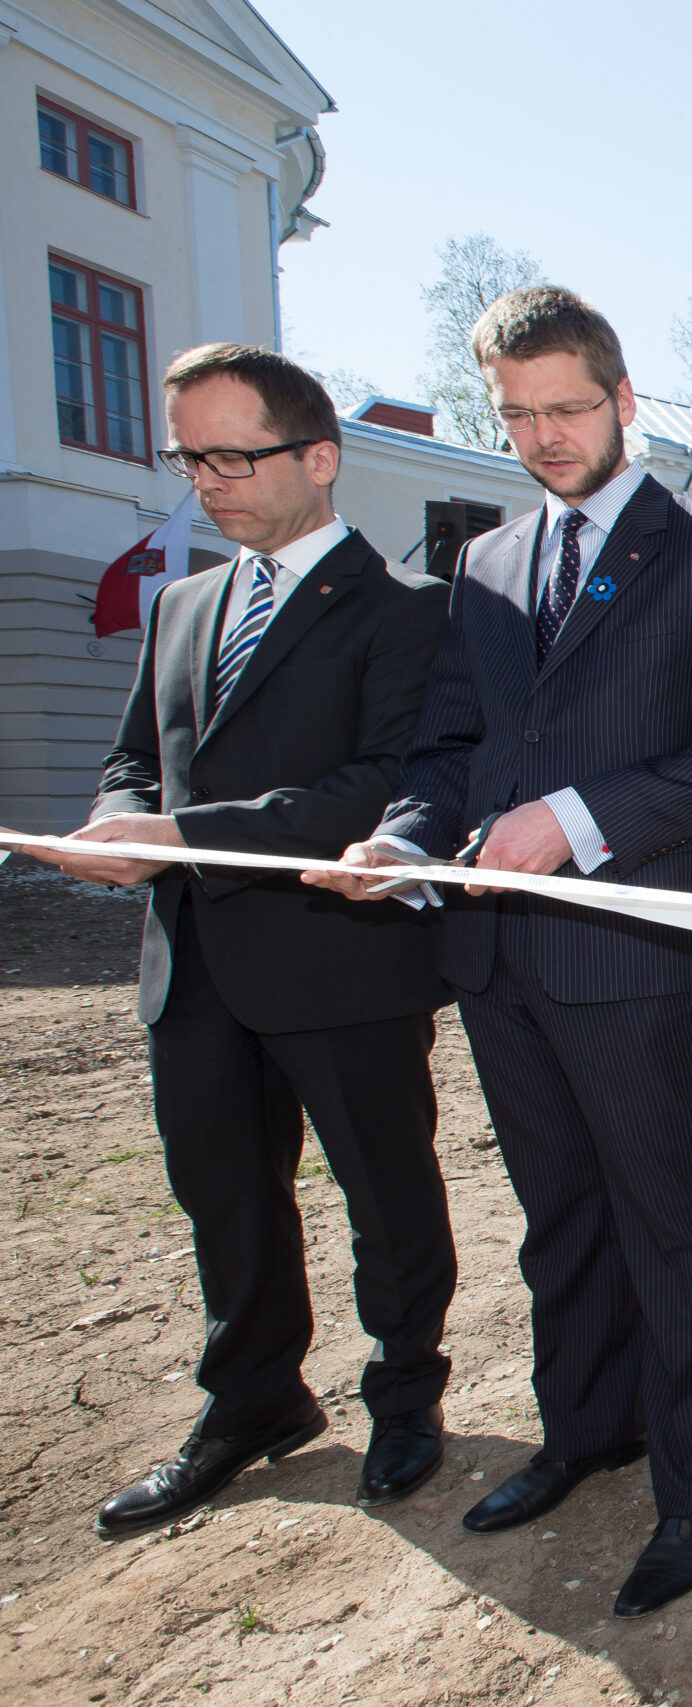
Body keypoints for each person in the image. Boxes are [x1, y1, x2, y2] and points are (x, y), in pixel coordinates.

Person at [303, 287, 692, 1619]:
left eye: (567, 407)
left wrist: (576, 820)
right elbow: (450, 747)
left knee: (673, 1222)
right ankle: (587, 1430)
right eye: (517, 414)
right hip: (496, 956)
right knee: (560, 1216)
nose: (543, 436)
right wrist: (405, 837)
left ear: (623, 400)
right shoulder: (485, 562)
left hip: (629, 951)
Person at [32, 345, 455, 1537]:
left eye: (233, 456)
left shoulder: (411, 609)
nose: (207, 482)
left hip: (340, 955)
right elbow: (137, 757)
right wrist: (118, 821)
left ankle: (406, 1393)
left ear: (319, 458)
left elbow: (382, 782)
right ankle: (254, 1398)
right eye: (190, 459)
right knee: (223, 1195)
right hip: (192, 966)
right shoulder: (181, 604)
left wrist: (179, 833)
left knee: (387, 1195)